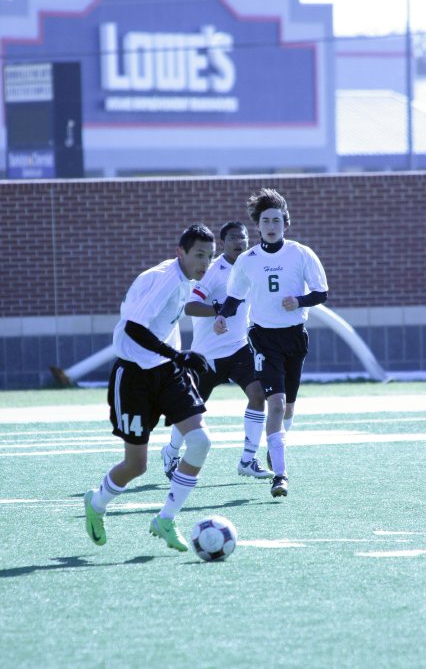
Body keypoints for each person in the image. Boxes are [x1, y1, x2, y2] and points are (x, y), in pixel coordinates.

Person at [84, 224, 216, 552]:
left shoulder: (188, 280)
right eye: (199, 255)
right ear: (180, 252)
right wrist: (179, 355)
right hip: (133, 378)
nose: (205, 263)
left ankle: (166, 519)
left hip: (167, 373)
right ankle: (96, 504)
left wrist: (179, 360)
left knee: (200, 442)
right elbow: (133, 328)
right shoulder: (168, 279)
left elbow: (164, 325)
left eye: (209, 257)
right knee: (136, 466)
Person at [214, 189, 328, 498]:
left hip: (294, 337)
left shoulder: (301, 253)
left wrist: (299, 300)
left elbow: (321, 294)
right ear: (258, 226)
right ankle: (281, 474)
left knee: (288, 407)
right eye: (266, 220)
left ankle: (275, 448)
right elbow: (235, 297)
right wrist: (222, 316)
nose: (271, 225)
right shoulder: (248, 260)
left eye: (276, 220)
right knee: (274, 403)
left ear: (285, 223)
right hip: (264, 338)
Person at [161, 221, 272, 481]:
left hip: (239, 349)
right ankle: (171, 451)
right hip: (206, 355)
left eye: (243, 237)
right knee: (191, 410)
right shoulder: (213, 271)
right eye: (233, 237)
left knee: (258, 395)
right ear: (223, 243)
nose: (239, 242)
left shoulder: (252, 267)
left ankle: (248, 459)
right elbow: (190, 306)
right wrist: (220, 310)